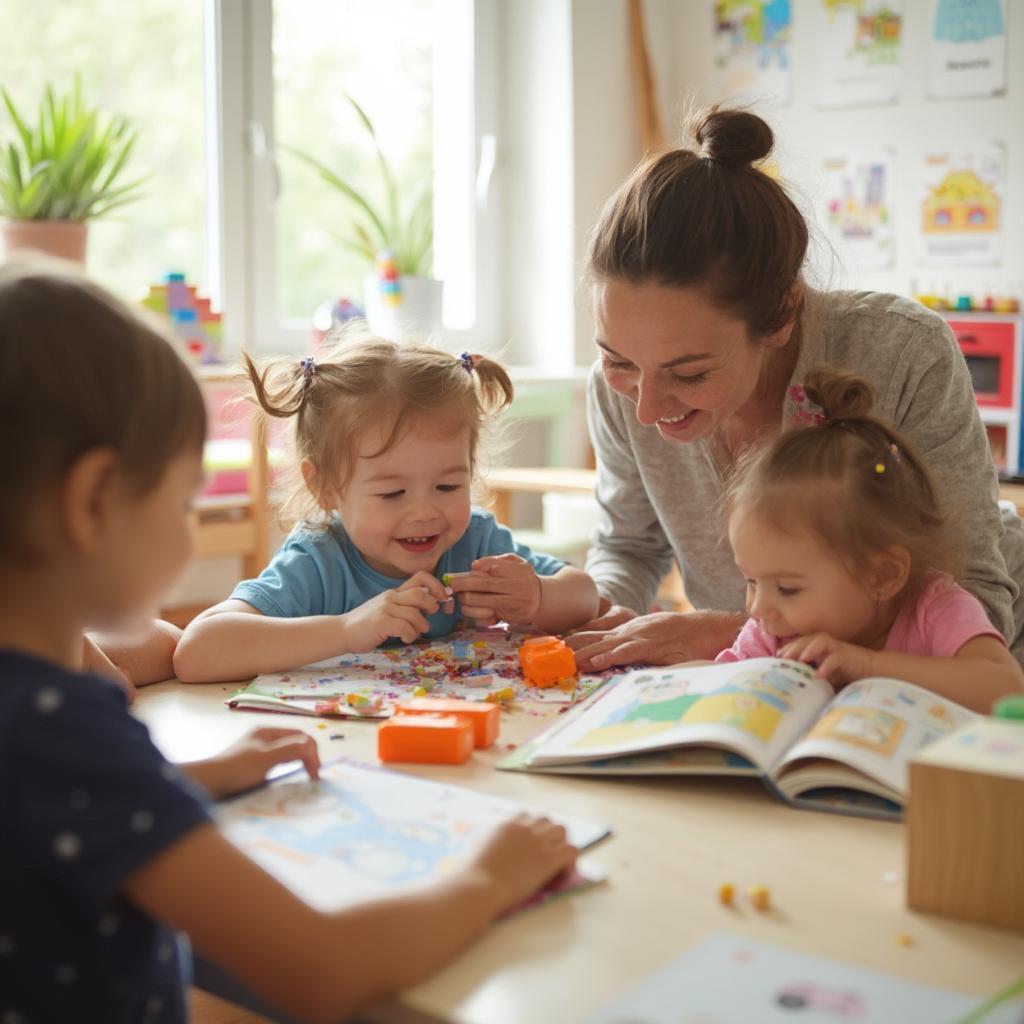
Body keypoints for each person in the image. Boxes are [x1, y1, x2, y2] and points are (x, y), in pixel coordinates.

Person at [0, 260, 577, 1024]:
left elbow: (63, 815)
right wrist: (493, 876)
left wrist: (189, 779)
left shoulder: (44, 726)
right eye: (183, 504)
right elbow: (326, 970)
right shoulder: (60, 731)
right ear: (94, 502)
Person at [567, 105, 1024, 673]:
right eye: (617, 360)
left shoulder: (902, 351)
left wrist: (730, 631)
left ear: (783, 313)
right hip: (783, 674)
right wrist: (597, 616)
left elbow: (978, 598)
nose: (646, 407)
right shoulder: (620, 392)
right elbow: (630, 547)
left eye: (689, 374)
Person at [174, 335, 598, 683]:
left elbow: (585, 596)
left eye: (448, 485)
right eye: (393, 493)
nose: (424, 512)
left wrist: (537, 596)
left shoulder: (475, 541)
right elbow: (198, 651)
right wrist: (347, 629)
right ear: (323, 486)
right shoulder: (320, 559)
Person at [717, 366, 1024, 712]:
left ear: (882, 575)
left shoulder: (934, 610)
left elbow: (1007, 689)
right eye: (751, 581)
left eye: (787, 588)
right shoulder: (772, 632)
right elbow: (719, 686)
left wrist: (868, 666)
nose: (757, 608)